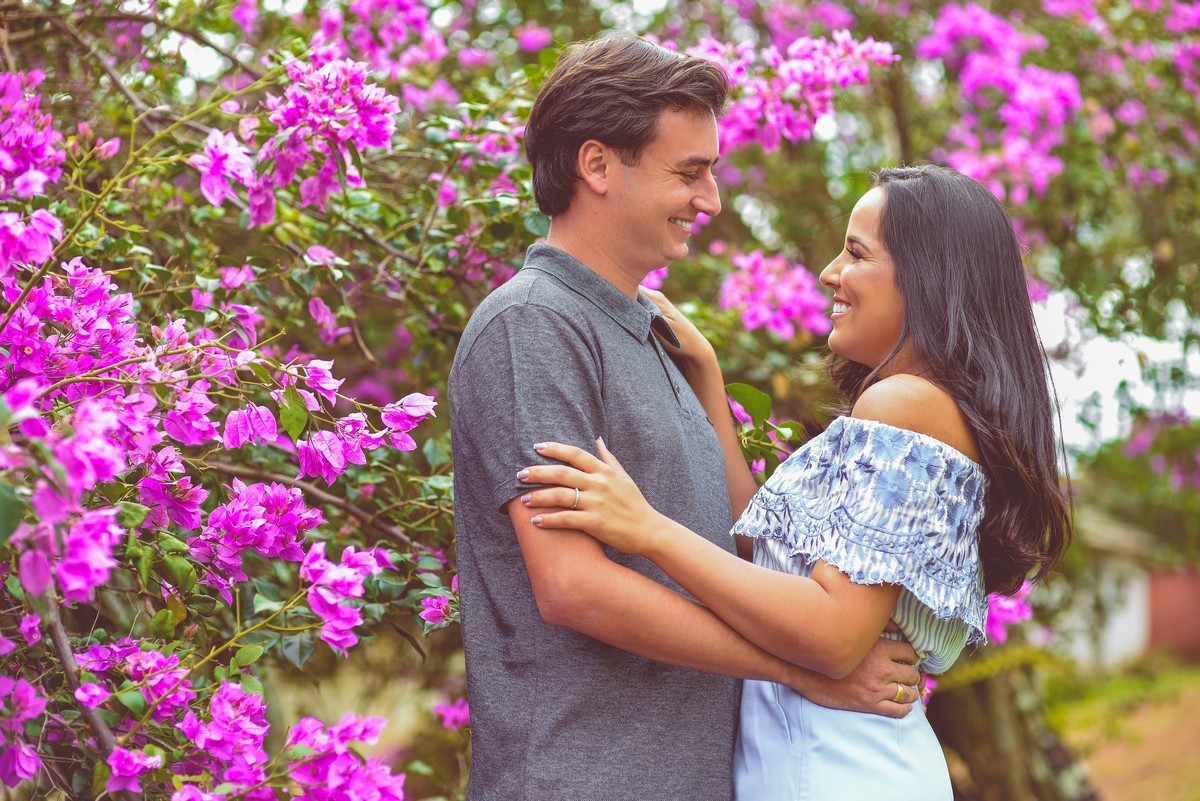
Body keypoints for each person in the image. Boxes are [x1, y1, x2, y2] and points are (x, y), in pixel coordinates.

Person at [448, 34, 924, 801]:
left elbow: (738, 555)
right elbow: (573, 585)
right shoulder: (532, 324)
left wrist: (706, 379)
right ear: (597, 165)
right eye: (689, 173)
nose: (712, 201)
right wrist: (806, 669)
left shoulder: (656, 340)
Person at [518, 164, 1074, 800]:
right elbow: (763, 559)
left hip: (840, 771)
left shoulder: (904, 405)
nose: (830, 272)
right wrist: (709, 383)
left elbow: (833, 636)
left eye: (856, 252)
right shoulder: (923, 408)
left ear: (927, 282)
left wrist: (648, 531)